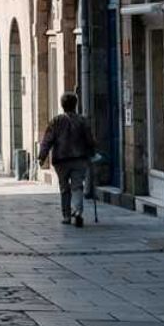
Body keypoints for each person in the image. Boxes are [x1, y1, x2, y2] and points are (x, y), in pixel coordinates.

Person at [37, 92, 98, 227]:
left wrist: (42, 157)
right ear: (75, 105)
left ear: (62, 105)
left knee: (64, 188)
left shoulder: (56, 121)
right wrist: (93, 152)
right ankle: (78, 211)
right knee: (77, 186)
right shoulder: (82, 121)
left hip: (61, 160)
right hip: (79, 158)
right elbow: (90, 140)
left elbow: (47, 141)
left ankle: (66, 216)